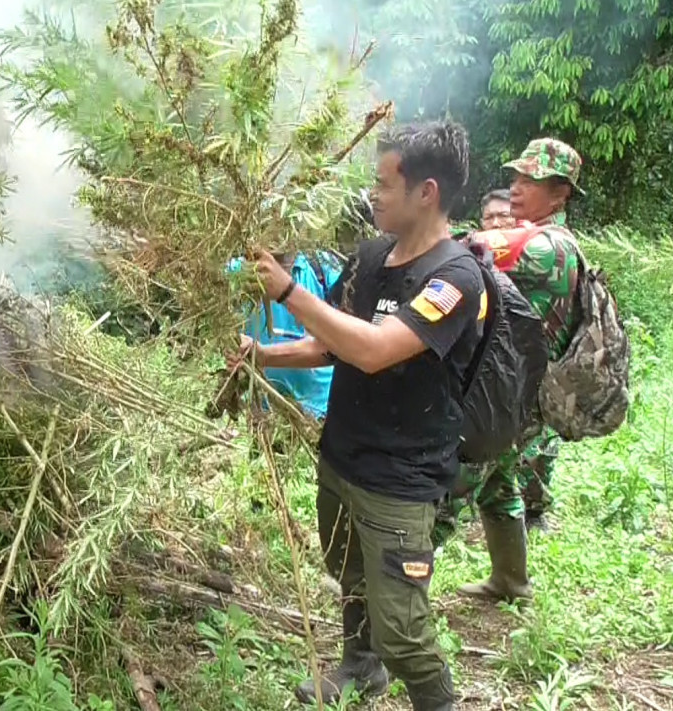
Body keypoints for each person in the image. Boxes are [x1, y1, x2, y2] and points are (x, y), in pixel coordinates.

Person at [230, 120, 483, 709]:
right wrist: (263, 355)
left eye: (384, 184)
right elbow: (331, 342)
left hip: (401, 478)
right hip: (343, 457)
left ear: (427, 193)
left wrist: (290, 293)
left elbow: (371, 350)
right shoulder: (371, 257)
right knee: (349, 577)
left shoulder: (455, 278)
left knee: (402, 627)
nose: (372, 194)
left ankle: (435, 701)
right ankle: (359, 670)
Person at [453, 137, 586, 602]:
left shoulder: (546, 246)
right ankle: (511, 580)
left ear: (560, 193)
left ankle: (384, 589)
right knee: (501, 483)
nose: (515, 187)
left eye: (529, 179)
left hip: (513, 395)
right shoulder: (546, 239)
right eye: (515, 177)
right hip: (521, 390)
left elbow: (464, 248)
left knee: (451, 481)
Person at [227, 251, 343, 419]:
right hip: (265, 413)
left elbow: (342, 338)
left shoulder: (321, 267)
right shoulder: (239, 271)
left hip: (321, 411)